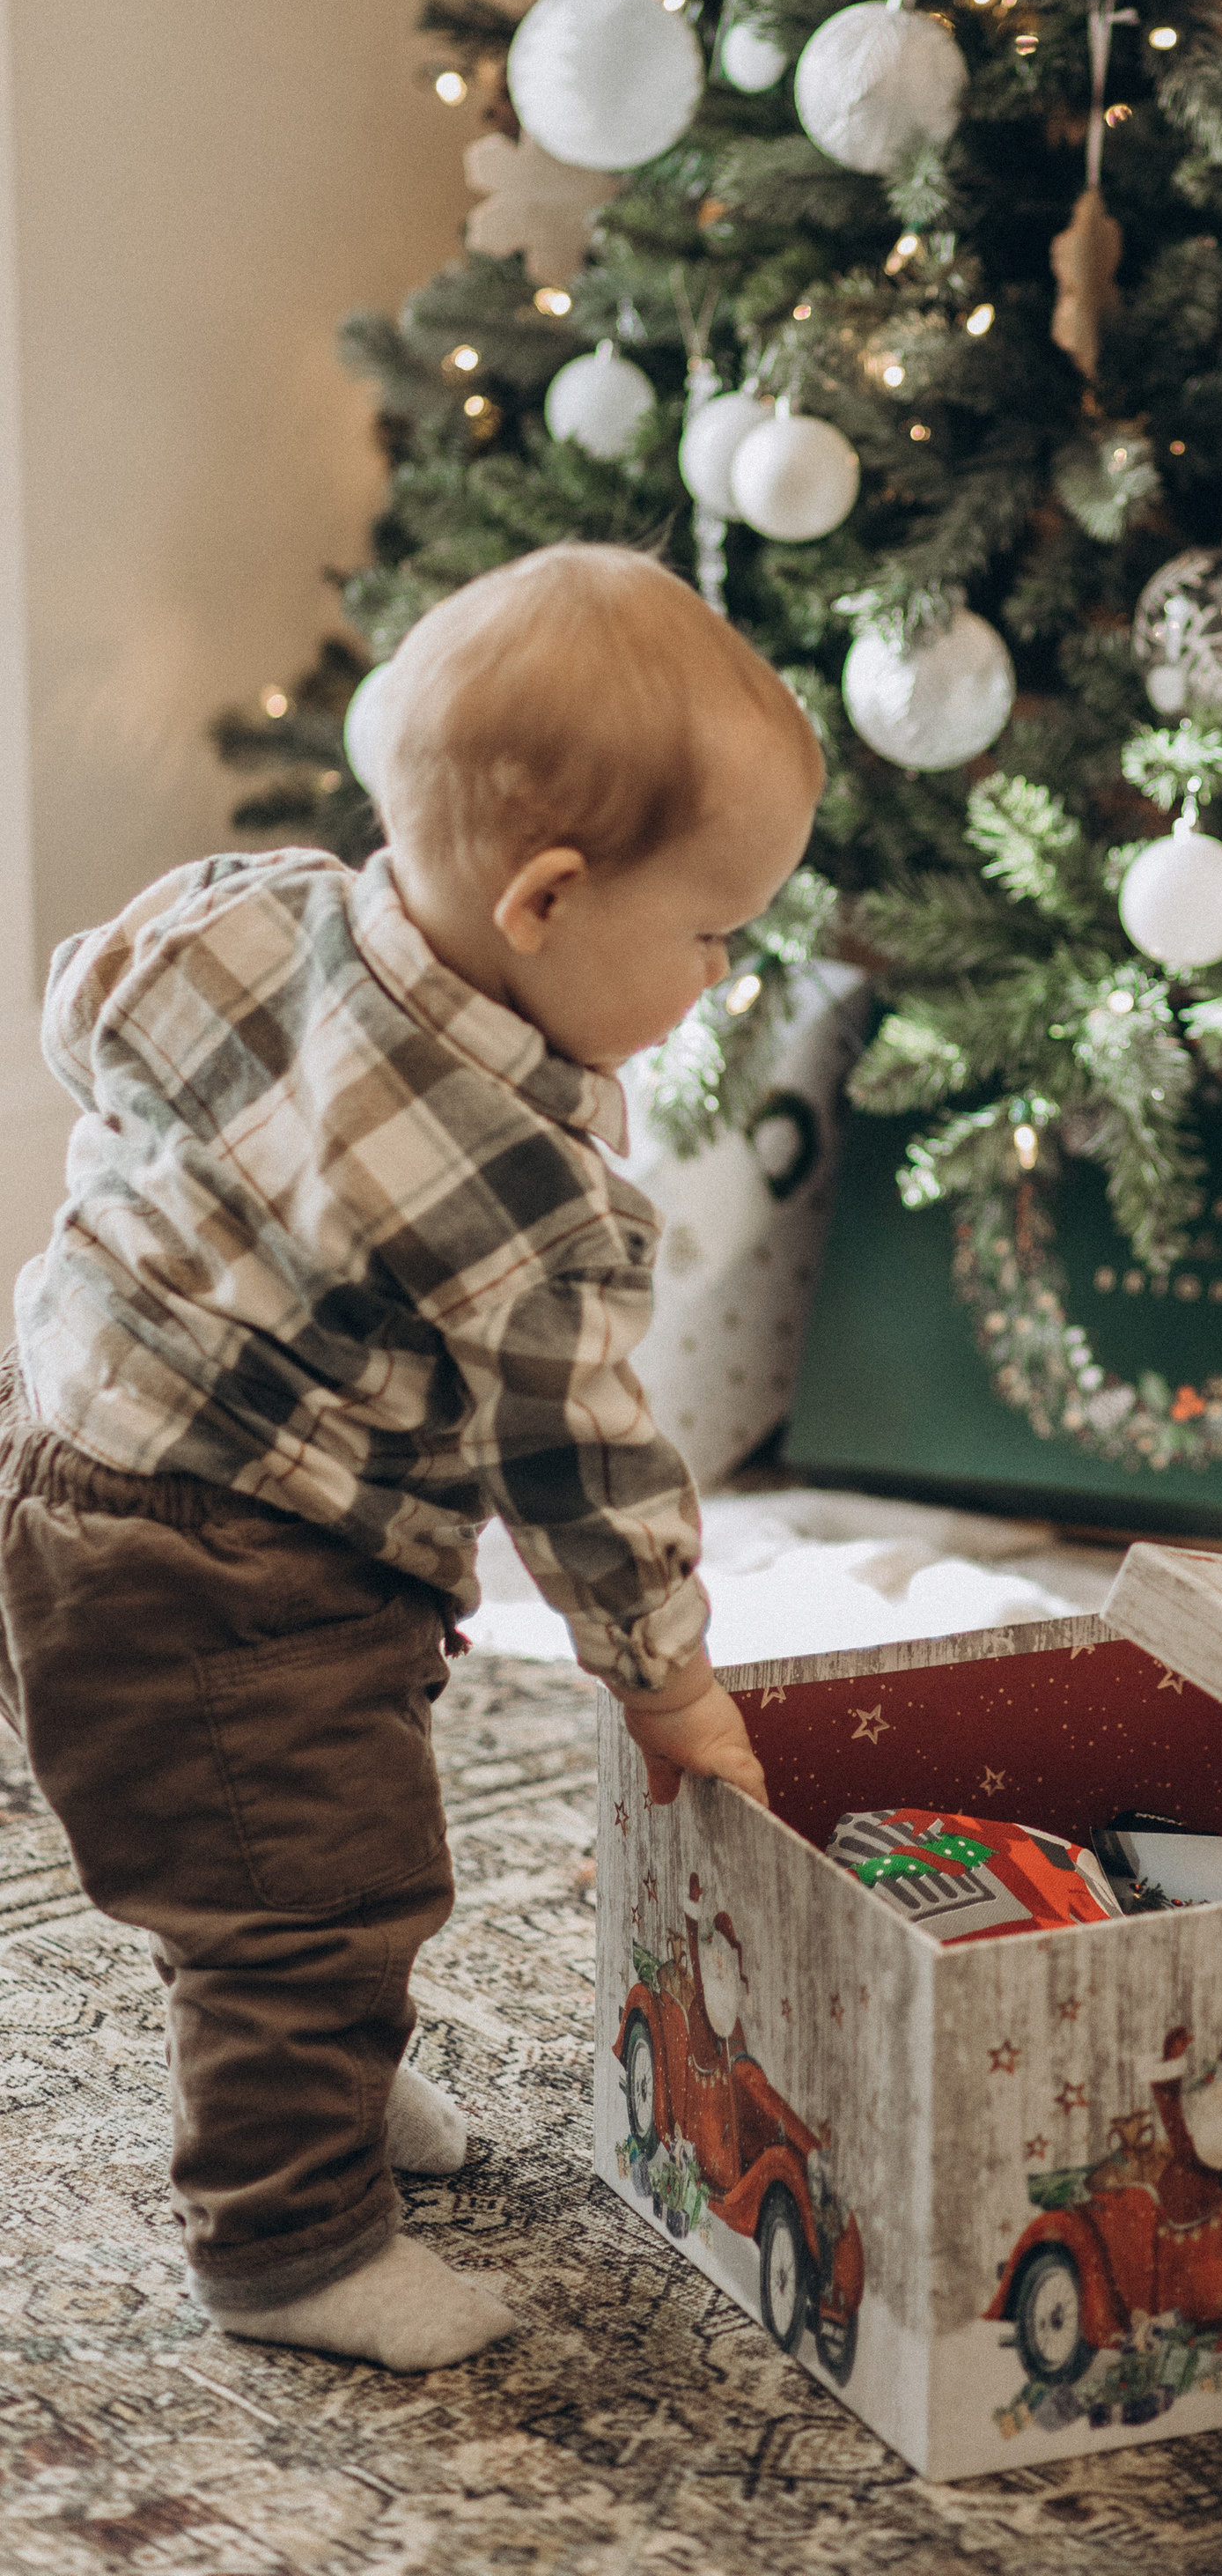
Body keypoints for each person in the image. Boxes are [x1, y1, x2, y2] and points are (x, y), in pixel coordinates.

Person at [0, 544, 823, 2368]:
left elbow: (85, 1004)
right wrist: (671, 1684)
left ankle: (324, 2089)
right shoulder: (523, 1188)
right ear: (545, 896)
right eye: (709, 934)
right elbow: (588, 1470)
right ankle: (288, 2244)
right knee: (315, 1885)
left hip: (59, 1463)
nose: (716, 977)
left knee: (250, 1841)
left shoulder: (253, 904)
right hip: (237, 1561)